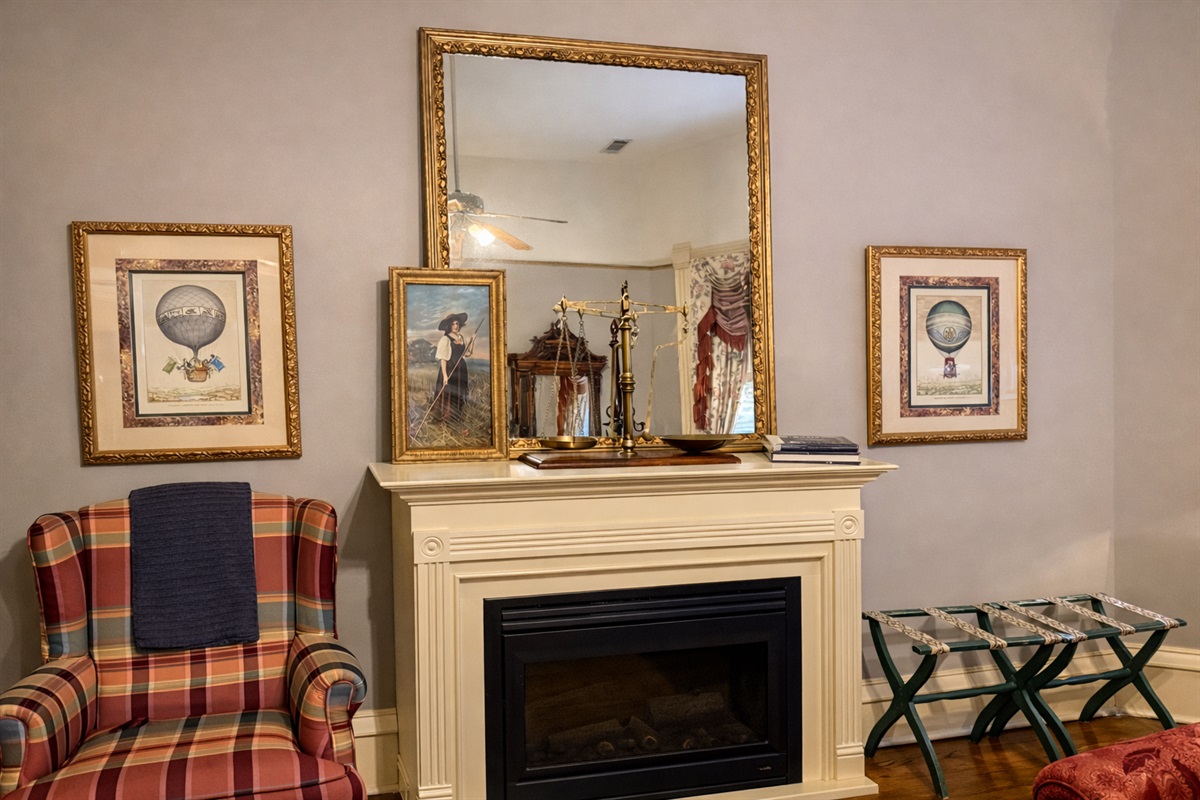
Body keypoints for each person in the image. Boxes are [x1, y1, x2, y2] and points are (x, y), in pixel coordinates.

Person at [433, 312, 475, 424]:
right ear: (449, 326)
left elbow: (467, 354)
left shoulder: (461, 337)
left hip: (461, 370)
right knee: (449, 393)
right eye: (453, 324)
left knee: (459, 392)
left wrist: (472, 341)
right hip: (449, 369)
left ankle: (457, 418)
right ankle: (446, 419)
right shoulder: (445, 339)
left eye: (457, 323)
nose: (455, 326)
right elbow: (443, 359)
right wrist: (445, 375)